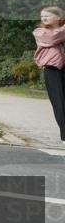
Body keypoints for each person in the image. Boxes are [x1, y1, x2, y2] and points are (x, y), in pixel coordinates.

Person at [33, 7, 65, 142]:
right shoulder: (40, 32)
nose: (44, 18)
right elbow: (53, 38)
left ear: (59, 17)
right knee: (59, 103)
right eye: (42, 16)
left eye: (47, 15)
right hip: (52, 70)